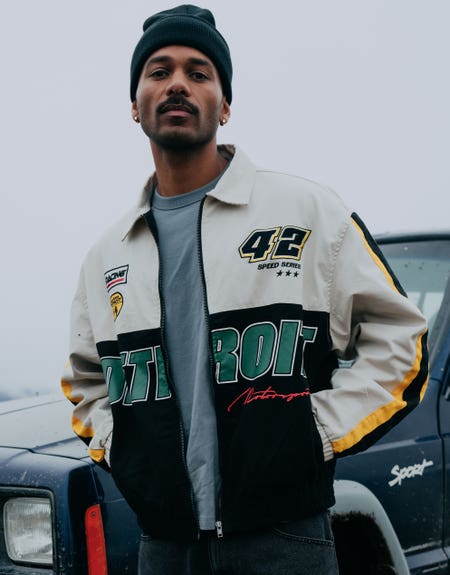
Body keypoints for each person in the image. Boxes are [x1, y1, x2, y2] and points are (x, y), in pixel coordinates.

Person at [61, 5, 429, 574]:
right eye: (158, 71)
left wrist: (315, 432)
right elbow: (85, 381)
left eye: (198, 72)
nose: (177, 83)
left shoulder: (307, 212)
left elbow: (400, 339)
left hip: (286, 539)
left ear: (225, 105)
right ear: (135, 104)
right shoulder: (107, 256)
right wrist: (124, 449)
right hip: (163, 547)